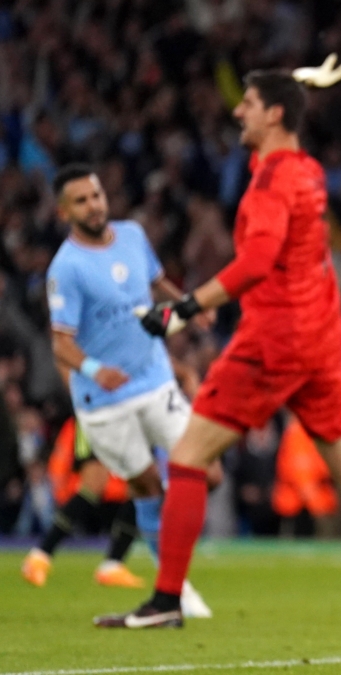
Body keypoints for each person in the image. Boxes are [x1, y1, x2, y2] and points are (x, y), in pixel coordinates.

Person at [95, 63, 341, 630]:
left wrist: (183, 309)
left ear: (274, 114)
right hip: (320, 340)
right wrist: (294, 81)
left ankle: (165, 601)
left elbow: (256, 261)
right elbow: (283, 199)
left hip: (274, 339)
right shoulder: (305, 170)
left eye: (247, 103)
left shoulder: (275, 181)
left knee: (186, 459)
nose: (236, 111)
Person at [32, 164, 213, 617]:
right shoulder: (66, 268)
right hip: (104, 400)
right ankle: (172, 584)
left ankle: (153, 569)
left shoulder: (132, 235)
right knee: (148, 485)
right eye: (81, 200)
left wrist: (191, 308)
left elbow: (156, 284)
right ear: (63, 211)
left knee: (208, 469)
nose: (94, 205)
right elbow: (61, 342)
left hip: (154, 378)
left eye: (96, 195)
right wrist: (96, 369)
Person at [22, 417, 143, 588]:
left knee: (139, 485)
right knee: (94, 484)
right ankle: (40, 556)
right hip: (97, 413)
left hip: (124, 417)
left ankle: (113, 564)